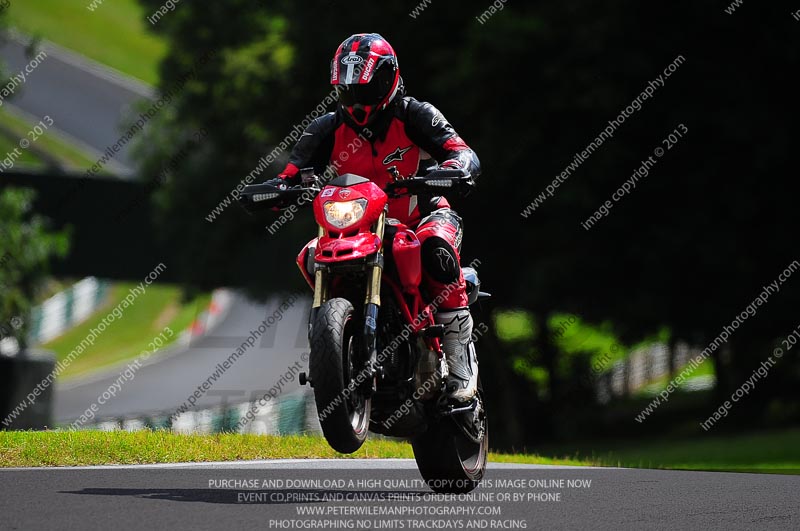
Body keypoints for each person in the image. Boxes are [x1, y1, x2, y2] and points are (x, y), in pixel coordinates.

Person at [268, 33, 481, 402]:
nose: (358, 101)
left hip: (422, 218)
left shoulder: (417, 114)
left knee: (436, 250)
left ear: (389, 78)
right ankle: (338, 347)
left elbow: (462, 153)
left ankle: (461, 362)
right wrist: (273, 192)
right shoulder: (325, 128)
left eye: (367, 88)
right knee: (309, 255)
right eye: (349, 91)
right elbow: (289, 173)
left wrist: (454, 169)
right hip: (353, 229)